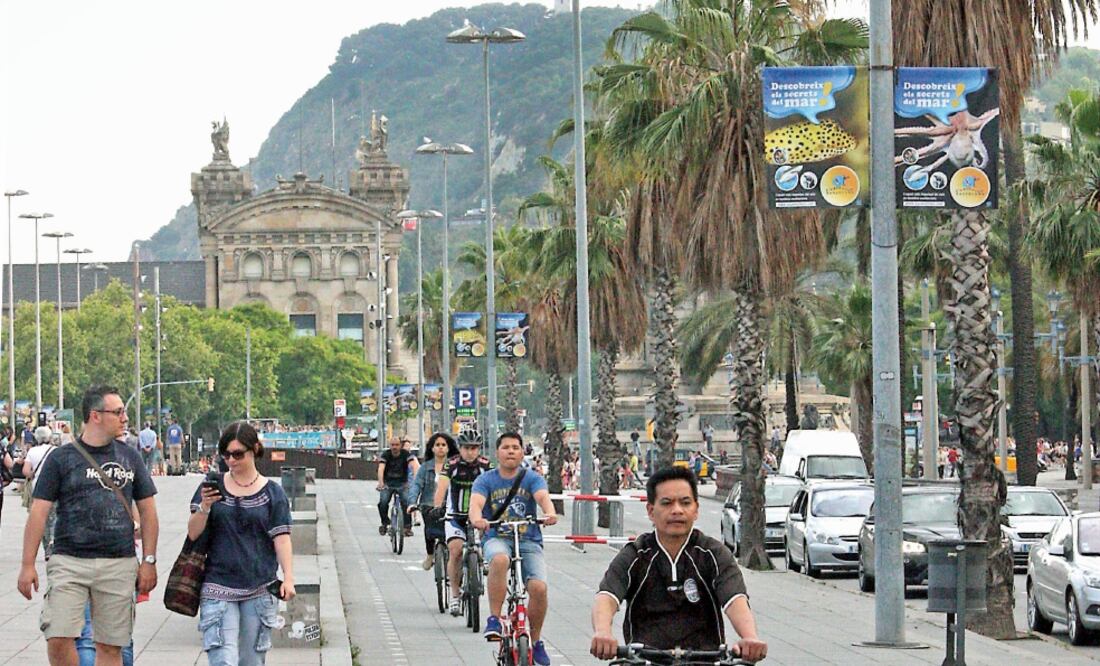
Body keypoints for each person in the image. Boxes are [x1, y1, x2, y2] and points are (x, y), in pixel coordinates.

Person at [19, 385, 159, 666]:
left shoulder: (130, 457)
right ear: (95, 415)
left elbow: (148, 511)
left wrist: (149, 560)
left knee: (110, 645)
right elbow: (39, 512)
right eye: (118, 412)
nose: (124, 418)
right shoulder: (62, 458)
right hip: (69, 561)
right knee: (57, 636)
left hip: (118, 563)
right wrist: (27, 564)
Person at [589, 466, 766, 662]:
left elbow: (735, 599)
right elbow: (607, 595)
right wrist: (603, 632)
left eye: (685, 503)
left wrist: (749, 637)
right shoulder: (636, 554)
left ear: (696, 509)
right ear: (650, 510)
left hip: (705, 659)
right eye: (666, 503)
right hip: (644, 660)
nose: (677, 510)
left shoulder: (713, 553)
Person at [189, 421, 295, 666]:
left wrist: (288, 577)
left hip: (259, 586)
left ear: (255, 450)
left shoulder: (272, 493)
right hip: (218, 585)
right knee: (222, 660)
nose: (231, 460)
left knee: (252, 660)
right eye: (226, 454)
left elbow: (282, 538)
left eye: (238, 454)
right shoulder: (212, 486)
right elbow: (193, 533)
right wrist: (205, 506)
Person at [469, 432, 558, 666]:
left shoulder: (532, 478)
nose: (511, 451)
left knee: (538, 588)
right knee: (499, 560)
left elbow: (542, 498)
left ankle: (537, 642)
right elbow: (476, 503)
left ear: (522, 452)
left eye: (516, 447)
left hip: (528, 540)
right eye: (506, 447)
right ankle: (494, 619)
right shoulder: (485, 480)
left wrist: (549, 512)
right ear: (497, 452)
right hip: (496, 536)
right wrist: (478, 519)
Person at [433, 430, 492, 615]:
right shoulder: (451, 465)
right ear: (460, 448)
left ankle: (484, 561)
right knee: (456, 551)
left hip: (479, 516)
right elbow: (442, 487)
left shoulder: (485, 466)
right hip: (455, 516)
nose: (471, 452)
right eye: (467, 448)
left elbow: (495, 487)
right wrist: (437, 506)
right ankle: (455, 595)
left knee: (490, 541)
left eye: (474, 448)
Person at [407, 433, 458, 570]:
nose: (440, 448)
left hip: (451, 505)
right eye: (437, 445)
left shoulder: (455, 466)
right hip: (428, 504)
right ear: (432, 448)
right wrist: (412, 502)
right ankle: (430, 555)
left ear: (448, 448)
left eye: (443, 445)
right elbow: (417, 484)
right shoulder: (425, 467)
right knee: (430, 531)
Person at [377, 437, 418, 538]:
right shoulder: (386, 454)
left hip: (402, 484)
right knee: (383, 502)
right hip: (388, 484)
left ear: (400, 445)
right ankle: (385, 523)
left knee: (406, 503)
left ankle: (407, 527)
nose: (394, 447)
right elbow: (381, 468)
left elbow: (413, 466)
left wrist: (416, 481)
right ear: (390, 445)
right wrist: (381, 483)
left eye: (397, 445)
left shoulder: (406, 454)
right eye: (392, 445)